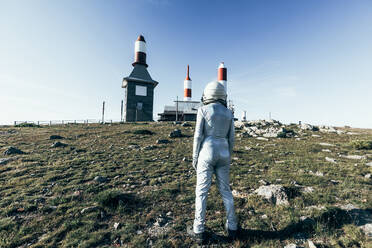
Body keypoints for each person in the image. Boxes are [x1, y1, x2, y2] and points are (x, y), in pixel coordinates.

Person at [187, 81, 238, 243]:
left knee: (201, 191)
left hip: (207, 152)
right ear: (222, 95)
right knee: (225, 191)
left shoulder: (203, 110)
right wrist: (228, 155)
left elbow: (198, 136)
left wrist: (195, 157)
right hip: (223, 151)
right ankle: (232, 227)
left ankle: (199, 230)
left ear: (207, 94)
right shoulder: (229, 113)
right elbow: (232, 138)